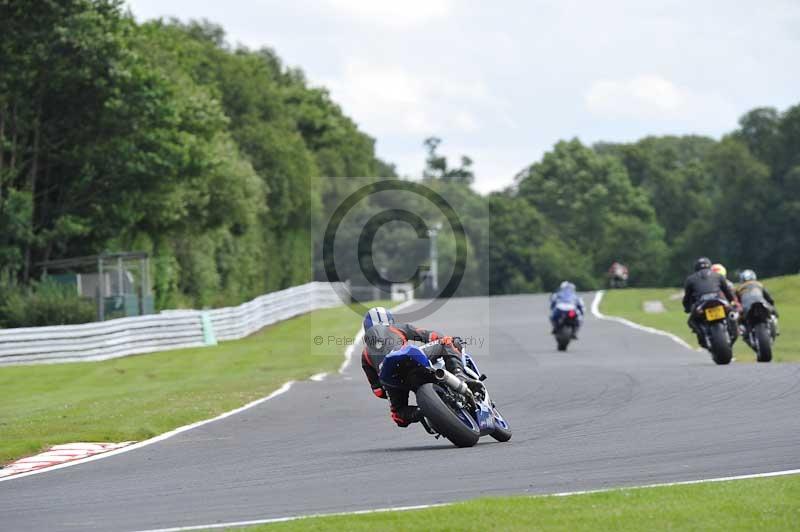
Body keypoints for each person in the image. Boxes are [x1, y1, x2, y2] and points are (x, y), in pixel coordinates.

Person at [360, 306, 475, 428]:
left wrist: (393, 389)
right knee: (447, 341)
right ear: (390, 321)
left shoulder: (365, 355)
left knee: (398, 415)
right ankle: (459, 375)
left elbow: (378, 391)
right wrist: (448, 339)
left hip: (392, 377)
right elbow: (430, 335)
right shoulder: (396, 328)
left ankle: (422, 411)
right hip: (411, 358)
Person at [682, 257, 736, 346]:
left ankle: (702, 337)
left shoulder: (690, 279)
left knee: (692, 322)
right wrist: (731, 301)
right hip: (719, 301)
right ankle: (731, 332)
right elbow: (727, 292)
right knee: (732, 315)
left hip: (702, 303)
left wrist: (687, 308)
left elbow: (687, 297)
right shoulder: (718, 276)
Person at [736, 269, 779, 335]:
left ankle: (743, 330)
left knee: (739, 320)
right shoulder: (759, 284)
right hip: (762, 303)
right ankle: (775, 326)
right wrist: (771, 304)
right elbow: (768, 297)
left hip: (746, 307)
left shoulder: (739, 288)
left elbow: (737, 302)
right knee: (774, 312)